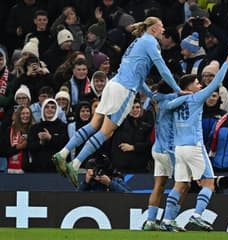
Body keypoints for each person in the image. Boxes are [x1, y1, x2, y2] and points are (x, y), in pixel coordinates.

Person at [52, 17, 182, 188]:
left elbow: (138, 75)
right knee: (106, 133)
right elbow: (163, 69)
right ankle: (75, 164)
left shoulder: (137, 42)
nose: (164, 30)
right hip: (124, 91)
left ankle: (63, 153)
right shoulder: (150, 42)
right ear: (153, 29)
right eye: (162, 26)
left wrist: (150, 93)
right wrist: (177, 89)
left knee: (94, 123)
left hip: (113, 84)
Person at [160, 50, 228, 232]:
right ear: (189, 87)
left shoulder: (174, 102)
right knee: (209, 182)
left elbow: (165, 106)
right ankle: (197, 215)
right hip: (194, 146)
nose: (200, 85)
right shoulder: (196, 98)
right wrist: (227, 62)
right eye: (197, 83)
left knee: (180, 184)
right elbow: (215, 83)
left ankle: (167, 220)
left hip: (178, 149)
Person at [143, 81, 187, 231]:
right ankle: (170, 219)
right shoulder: (170, 101)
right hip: (169, 150)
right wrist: (185, 94)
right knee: (184, 184)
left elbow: (149, 91)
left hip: (157, 149)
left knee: (159, 185)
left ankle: (150, 221)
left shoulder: (158, 98)